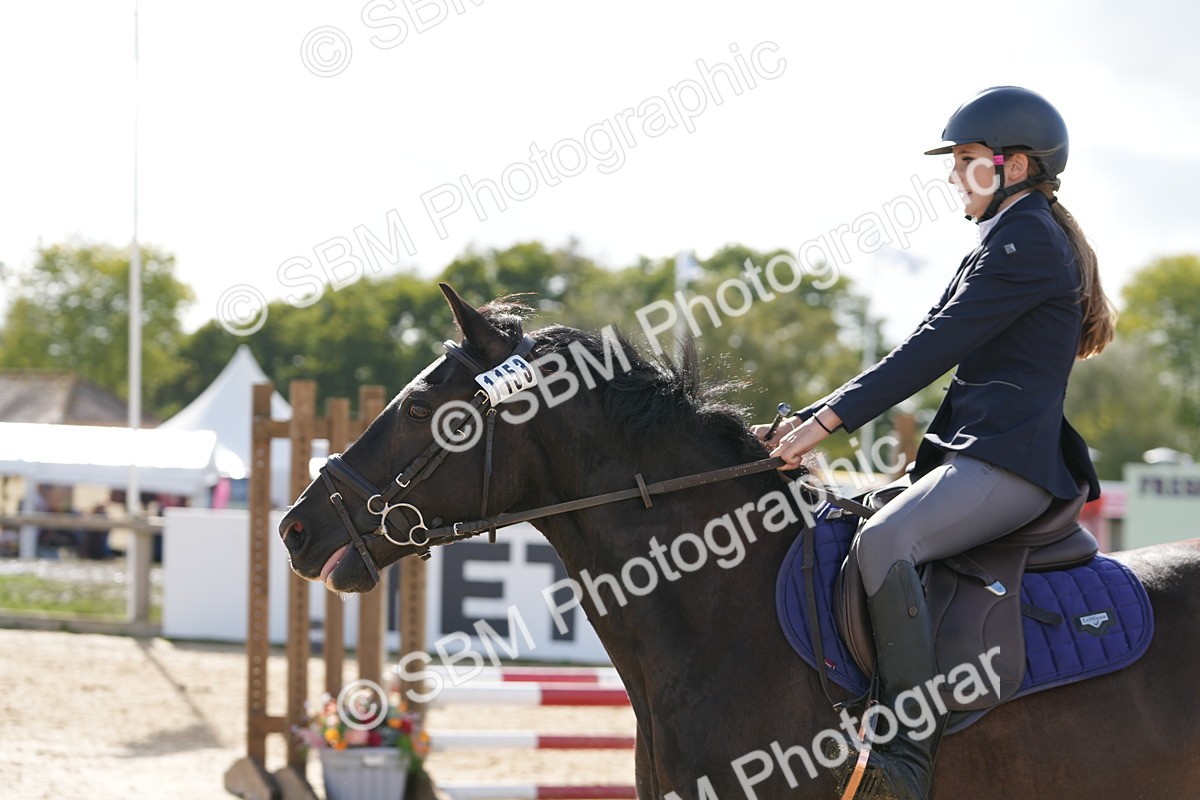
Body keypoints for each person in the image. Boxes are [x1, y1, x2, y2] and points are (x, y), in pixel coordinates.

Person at [755, 86, 1116, 800]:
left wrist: (827, 425)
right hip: (975, 453)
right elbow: (918, 343)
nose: (954, 174)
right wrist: (812, 413)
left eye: (967, 159)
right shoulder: (1008, 236)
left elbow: (933, 350)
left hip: (1010, 461)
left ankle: (907, 757)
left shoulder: (1027, 241)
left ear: (1014, 165)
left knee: (885, 544)